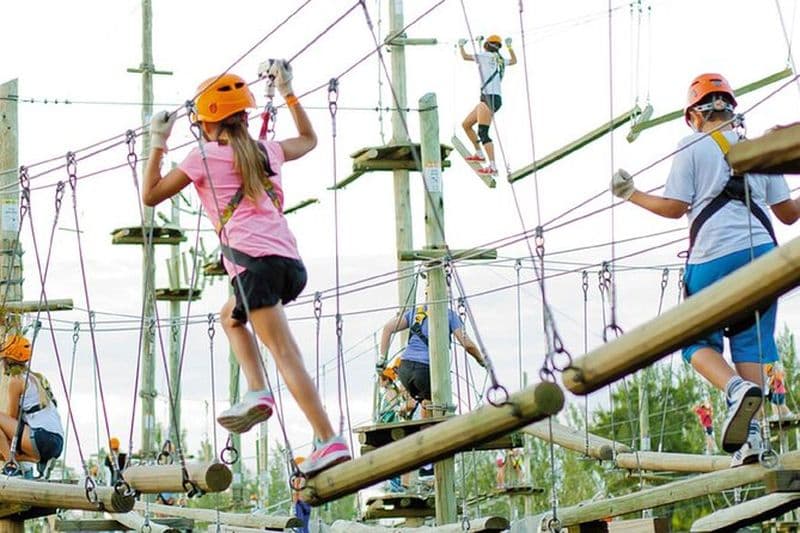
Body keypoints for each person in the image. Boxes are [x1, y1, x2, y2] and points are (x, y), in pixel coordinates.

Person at [142, 62, 350, 476]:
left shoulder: (201, 157)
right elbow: (308, 140)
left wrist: (158, 143)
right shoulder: (268, 150)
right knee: (230, 317)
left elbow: (150, 194)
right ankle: (258, 390)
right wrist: (289, 92)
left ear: (206, 123)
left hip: (254, 267)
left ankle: (328, 438)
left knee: (285, 354)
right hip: (288, 264)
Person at [611, 72, 800, 466]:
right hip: (765, 258)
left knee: (694, 341)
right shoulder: (760, 149)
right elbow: (788, 214)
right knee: (750, 343)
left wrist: (631, 194)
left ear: (694, 116)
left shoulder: (691, 145)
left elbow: (675, 207)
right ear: (732, 109)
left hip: (714, 255)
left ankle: (734, 389)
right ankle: (753, 439)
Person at [377, 299, 486, 418]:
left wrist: (382, 359)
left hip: (404, 369)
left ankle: (415, 416)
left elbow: (387, 328)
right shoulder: (449, 315)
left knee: (424, 401)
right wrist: (482, 361)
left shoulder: (415, 312)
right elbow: (468, 345)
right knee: (433, 403)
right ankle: (429, 426)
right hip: (424, 370)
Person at [0, 335, 64, 476]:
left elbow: (11, 418)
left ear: (8, 359)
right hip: (56, 442)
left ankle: (11, 465)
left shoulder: (16, 381)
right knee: (3, 448)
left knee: (4, 443)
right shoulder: (37, 377)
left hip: (41, 438)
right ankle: (34, 459)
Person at [458, 34, 517, 177]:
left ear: (487, 45)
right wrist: (510, 47)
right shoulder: (500, 59)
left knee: (483, 132)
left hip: (489, 98)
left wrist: (461, 46)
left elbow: (465, 56)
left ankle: (493, 166)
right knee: (466, 124)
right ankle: (479, 154)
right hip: (492, 98)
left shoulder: (485, 56)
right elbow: (514, 61)